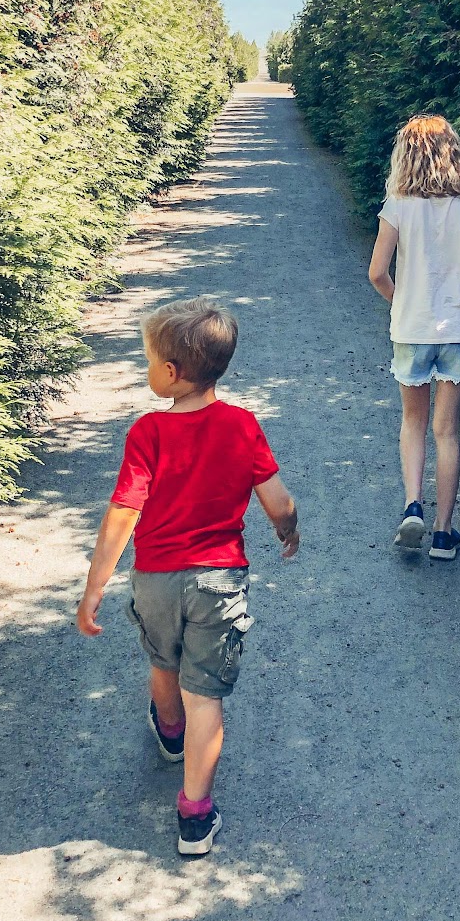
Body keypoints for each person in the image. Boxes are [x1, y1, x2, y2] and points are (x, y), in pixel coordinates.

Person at [76, 297, 299, 856]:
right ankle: (195, 816)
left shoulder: (148, 432)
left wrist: (95, 585)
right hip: (219, 581)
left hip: (155, 578)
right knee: (206, 696)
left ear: (172, 373)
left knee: (162, 660)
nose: (148, 370)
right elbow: (278, 502)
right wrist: (287, 530)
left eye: (149, 361)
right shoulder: (241, 426)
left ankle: (169, 733)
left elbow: (123, 511)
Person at [368, 115, 460, 560]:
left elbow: (377, 273)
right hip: (459, 332)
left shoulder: (397, 207)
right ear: (455, 155)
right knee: (447, 431)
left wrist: (404, 300)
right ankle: (444, 534)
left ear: (405, 158)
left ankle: (413, 506)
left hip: (413, 330)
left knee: (413, 422)